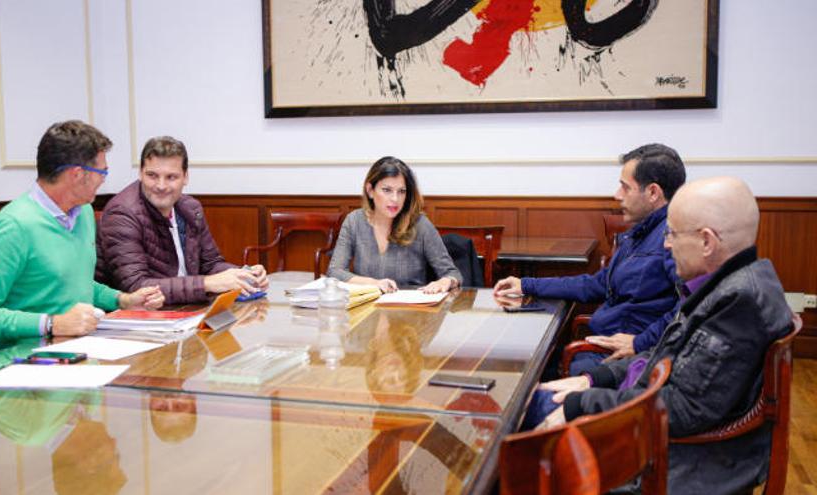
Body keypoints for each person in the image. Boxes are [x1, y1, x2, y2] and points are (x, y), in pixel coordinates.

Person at [526, 177, 793, 493]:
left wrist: (582, 404)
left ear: (707, 241)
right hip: (653, 432)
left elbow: (683, 409)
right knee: (522, 408)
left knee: (510, 418)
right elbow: (666, 353)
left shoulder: (738, 302)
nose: (666, 244)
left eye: (672, 234)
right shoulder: (731, 284)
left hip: (671, 462)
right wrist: (595, 379)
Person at [0, 121, 163, 351]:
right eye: (102, 171)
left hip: (78, 353)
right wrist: (51, 324)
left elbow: (72, 283)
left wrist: (123, 300)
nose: (104, 179)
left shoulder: (83, 212)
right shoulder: (13, 226)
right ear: (78, 174)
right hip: (21, 366)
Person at [494, 143, 685, 375]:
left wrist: (640, 342)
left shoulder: (674, 238)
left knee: (523, 375)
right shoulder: (640, 233)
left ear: (653, 193)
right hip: (600, 346)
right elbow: (596, 285)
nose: (617, 195)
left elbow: (689, 308)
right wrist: (526, 284)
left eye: (625, 187)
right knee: (521, 360)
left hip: (620, 361)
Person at [96, 136, 267, 304]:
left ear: (185, 177)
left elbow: (211, 264)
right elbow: (135, 287)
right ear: (140, 173)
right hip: (143, 320)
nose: (161, 186)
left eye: (171, 177)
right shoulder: (121, 214)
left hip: (186, 310)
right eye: (152, 175)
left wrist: (242, 275)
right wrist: (207, 284)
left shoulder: (191, 208)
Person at [327, 156, 462, 293]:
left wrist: (447, 280)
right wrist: (374, 283)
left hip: (410, 310)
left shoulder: (420, 224)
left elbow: (452, 273)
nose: (395, 199)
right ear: (370, 190)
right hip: (366, 308)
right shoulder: (354, 221)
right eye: (387, 190)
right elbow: (335, 272)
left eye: (401, 191)